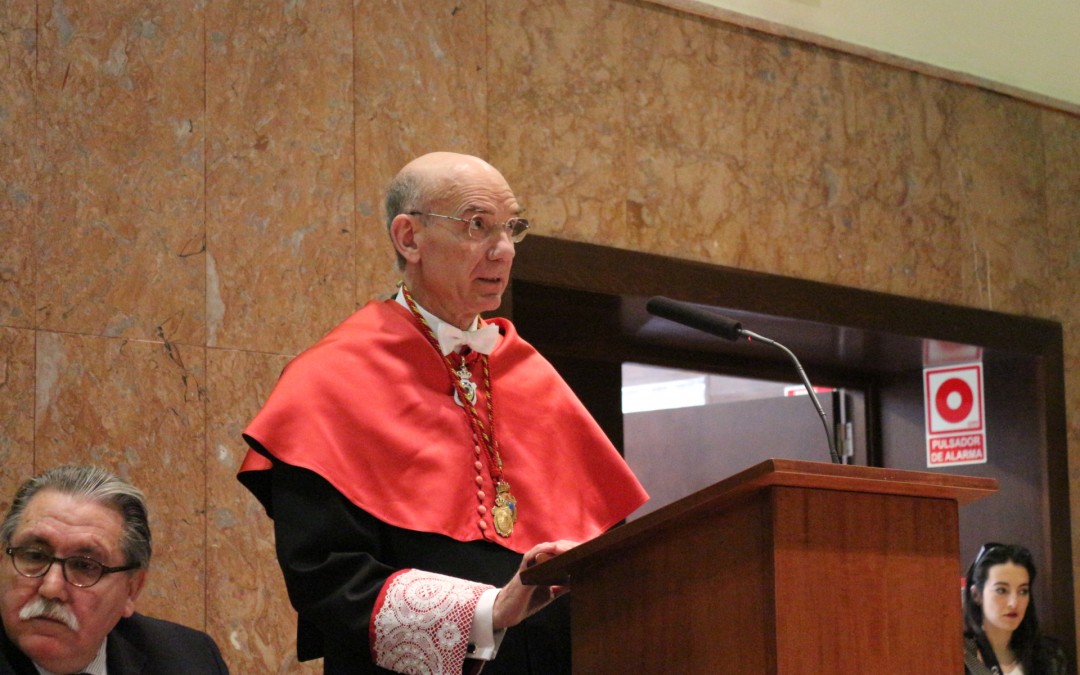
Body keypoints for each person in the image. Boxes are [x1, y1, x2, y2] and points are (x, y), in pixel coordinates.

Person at [237, 151, 648, 674]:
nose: (502, 251)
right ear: (409, 238)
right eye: (478, 226)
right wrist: (486, 611)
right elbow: (326, 577)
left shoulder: (532, 376)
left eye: (512, 228)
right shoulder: (330, 380)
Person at [0, 464, 229, 675]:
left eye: (84, 566)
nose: (51, 588)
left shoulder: (189, 660)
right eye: (34, 556)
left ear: (132, 590)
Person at [963, 542, 1070, 675]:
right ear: (976, 595)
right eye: (1001, 590)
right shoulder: (961, 655)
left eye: (1023, 591)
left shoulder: (1049, 656)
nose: (1014, 603)